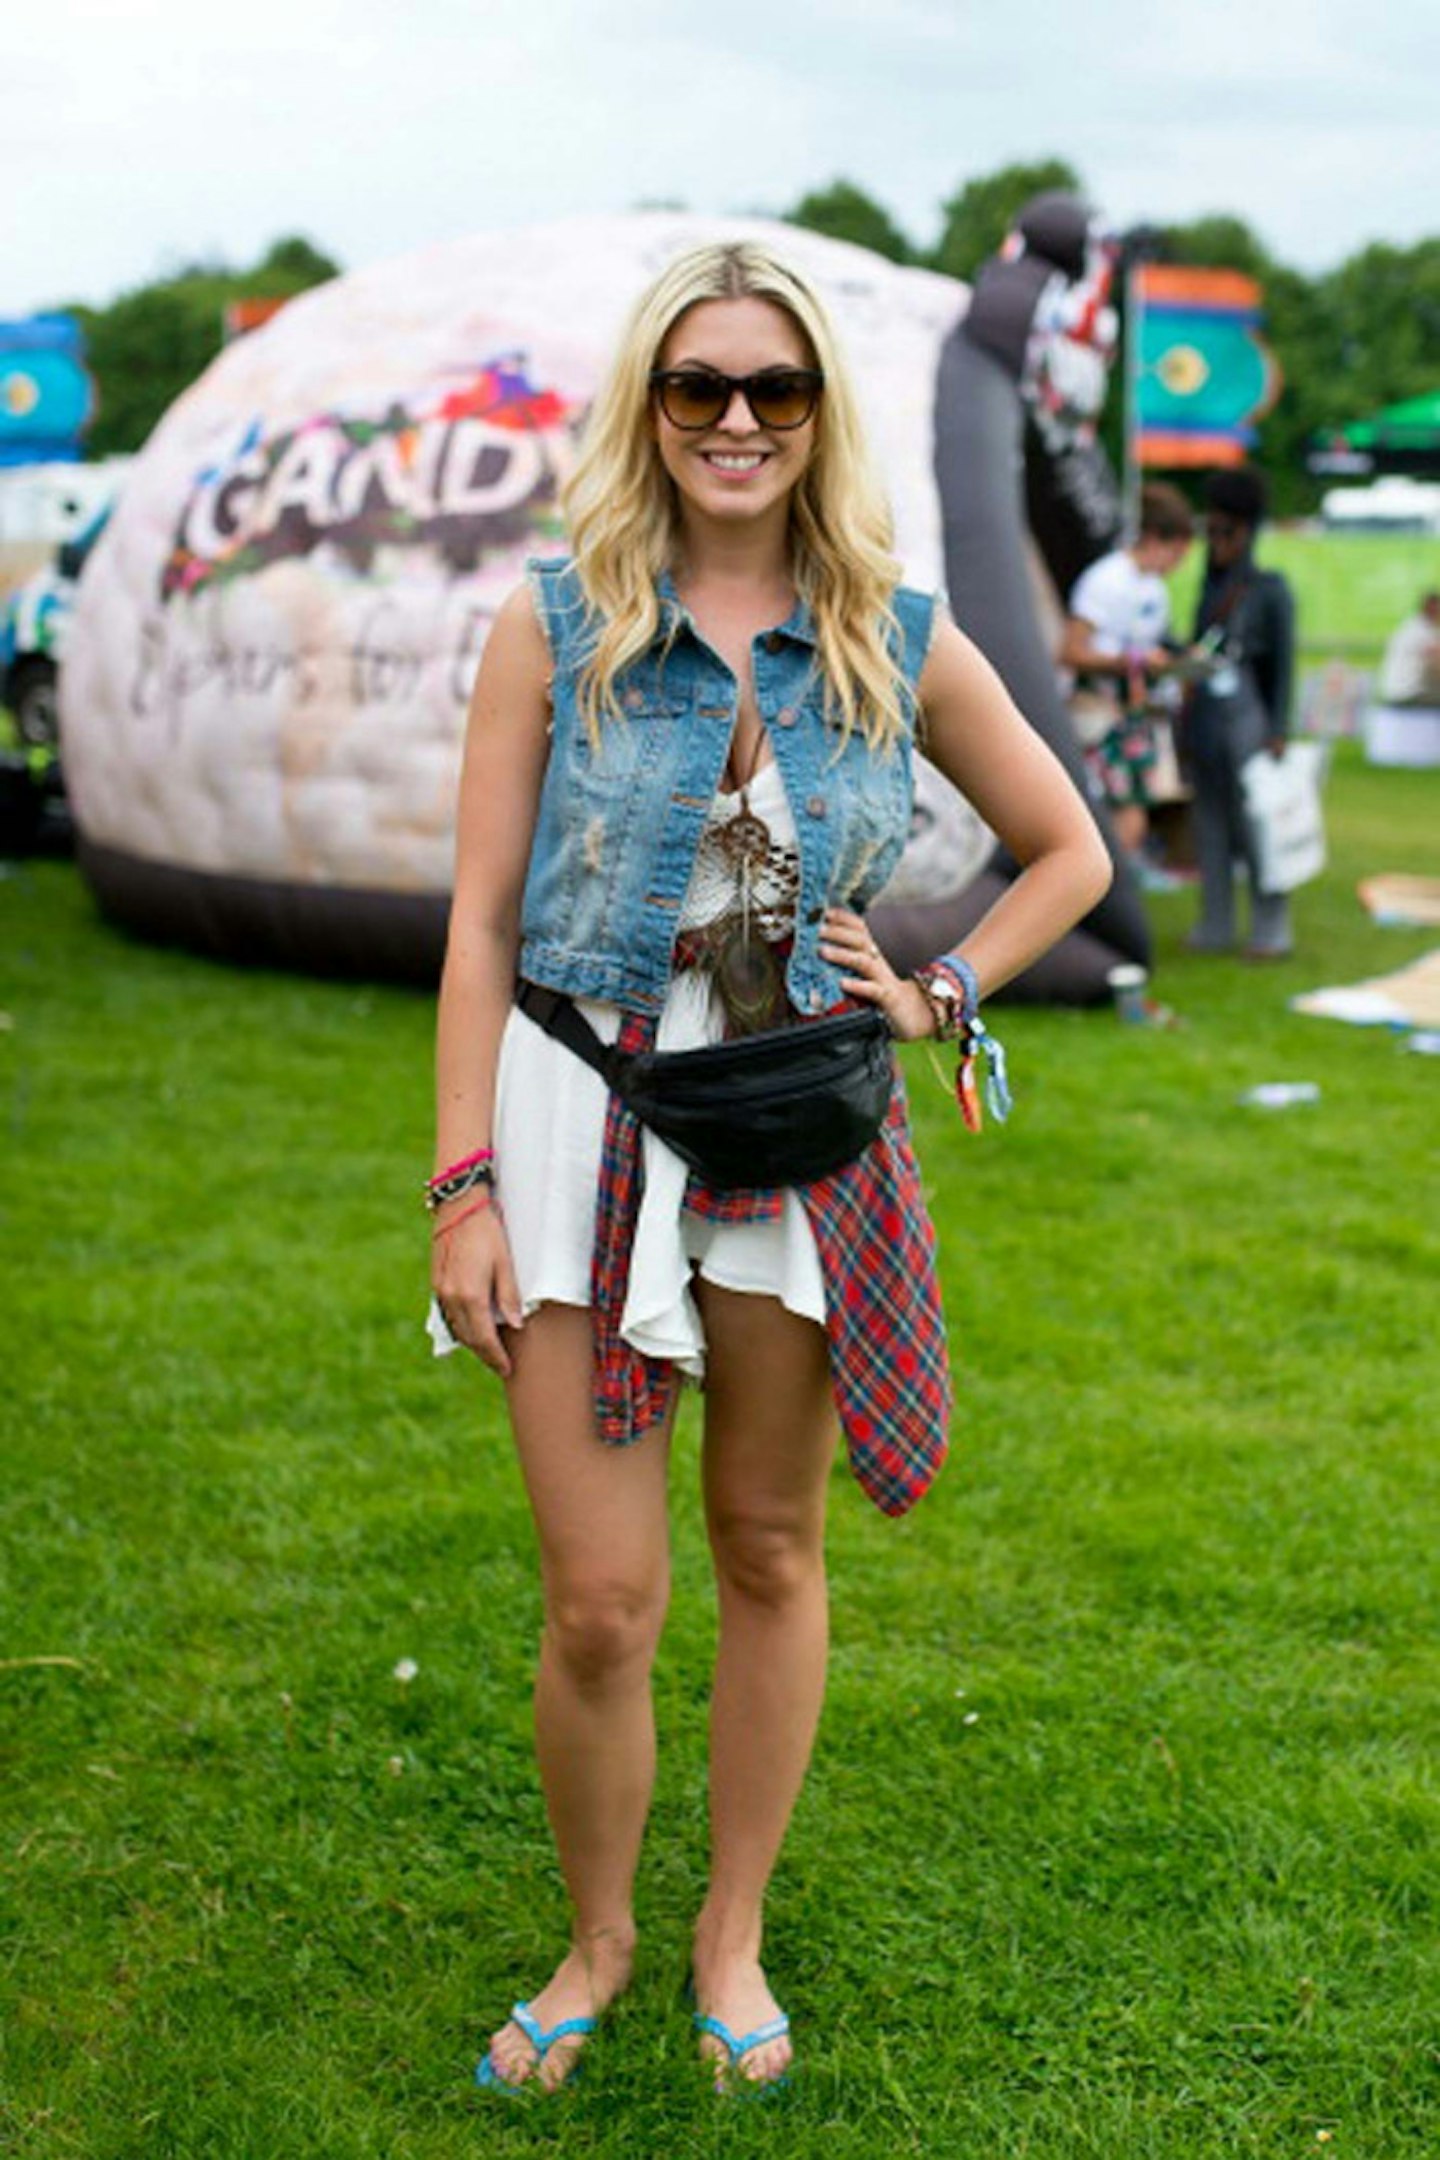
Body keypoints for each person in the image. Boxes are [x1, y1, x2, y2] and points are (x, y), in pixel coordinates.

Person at [429, 240, 1111, 2098]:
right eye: (699, 386)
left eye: (775, 390)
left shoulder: (895, 629)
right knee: (599, 1601)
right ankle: (600, 1941)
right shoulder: (555, 624)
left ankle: (728, 1934)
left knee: (770, 1544)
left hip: (800, 1129)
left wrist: (943, 985)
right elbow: (482, 928)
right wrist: (461, 1186)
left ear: (820, 415)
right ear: (650, 407)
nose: (738, 420)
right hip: (583, 1116)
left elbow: (1071, 853)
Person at [1183, 467, 1297, 959]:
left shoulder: (1270, 589)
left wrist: (1278, 729)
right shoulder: (1211, 587)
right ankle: (1216, 923)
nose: (1216, 541)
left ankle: (1272, 928)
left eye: (1224, 531)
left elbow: (1283, 662)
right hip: (1208, 719)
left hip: (1250, 722)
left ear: (1246, 531)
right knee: (1209, 824)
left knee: (1258, 827)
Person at [1059, 481, 1195, 875]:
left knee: (1134, 811)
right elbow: (1070, 651)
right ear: (1154, 538)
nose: (1177, 565)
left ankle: (1109, 891)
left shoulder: (1154, 588)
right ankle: (1102, 893)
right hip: (1100, 715)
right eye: (1176, 553)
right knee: (1115, 815)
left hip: (1133, 714)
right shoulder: (1105, 580)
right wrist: (1129, 663)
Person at [1378, 591, 1440, 708]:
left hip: (1394, 691)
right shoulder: (1422, 631)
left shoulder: (1411, 626)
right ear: (1433, 609)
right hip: (1407, 694)